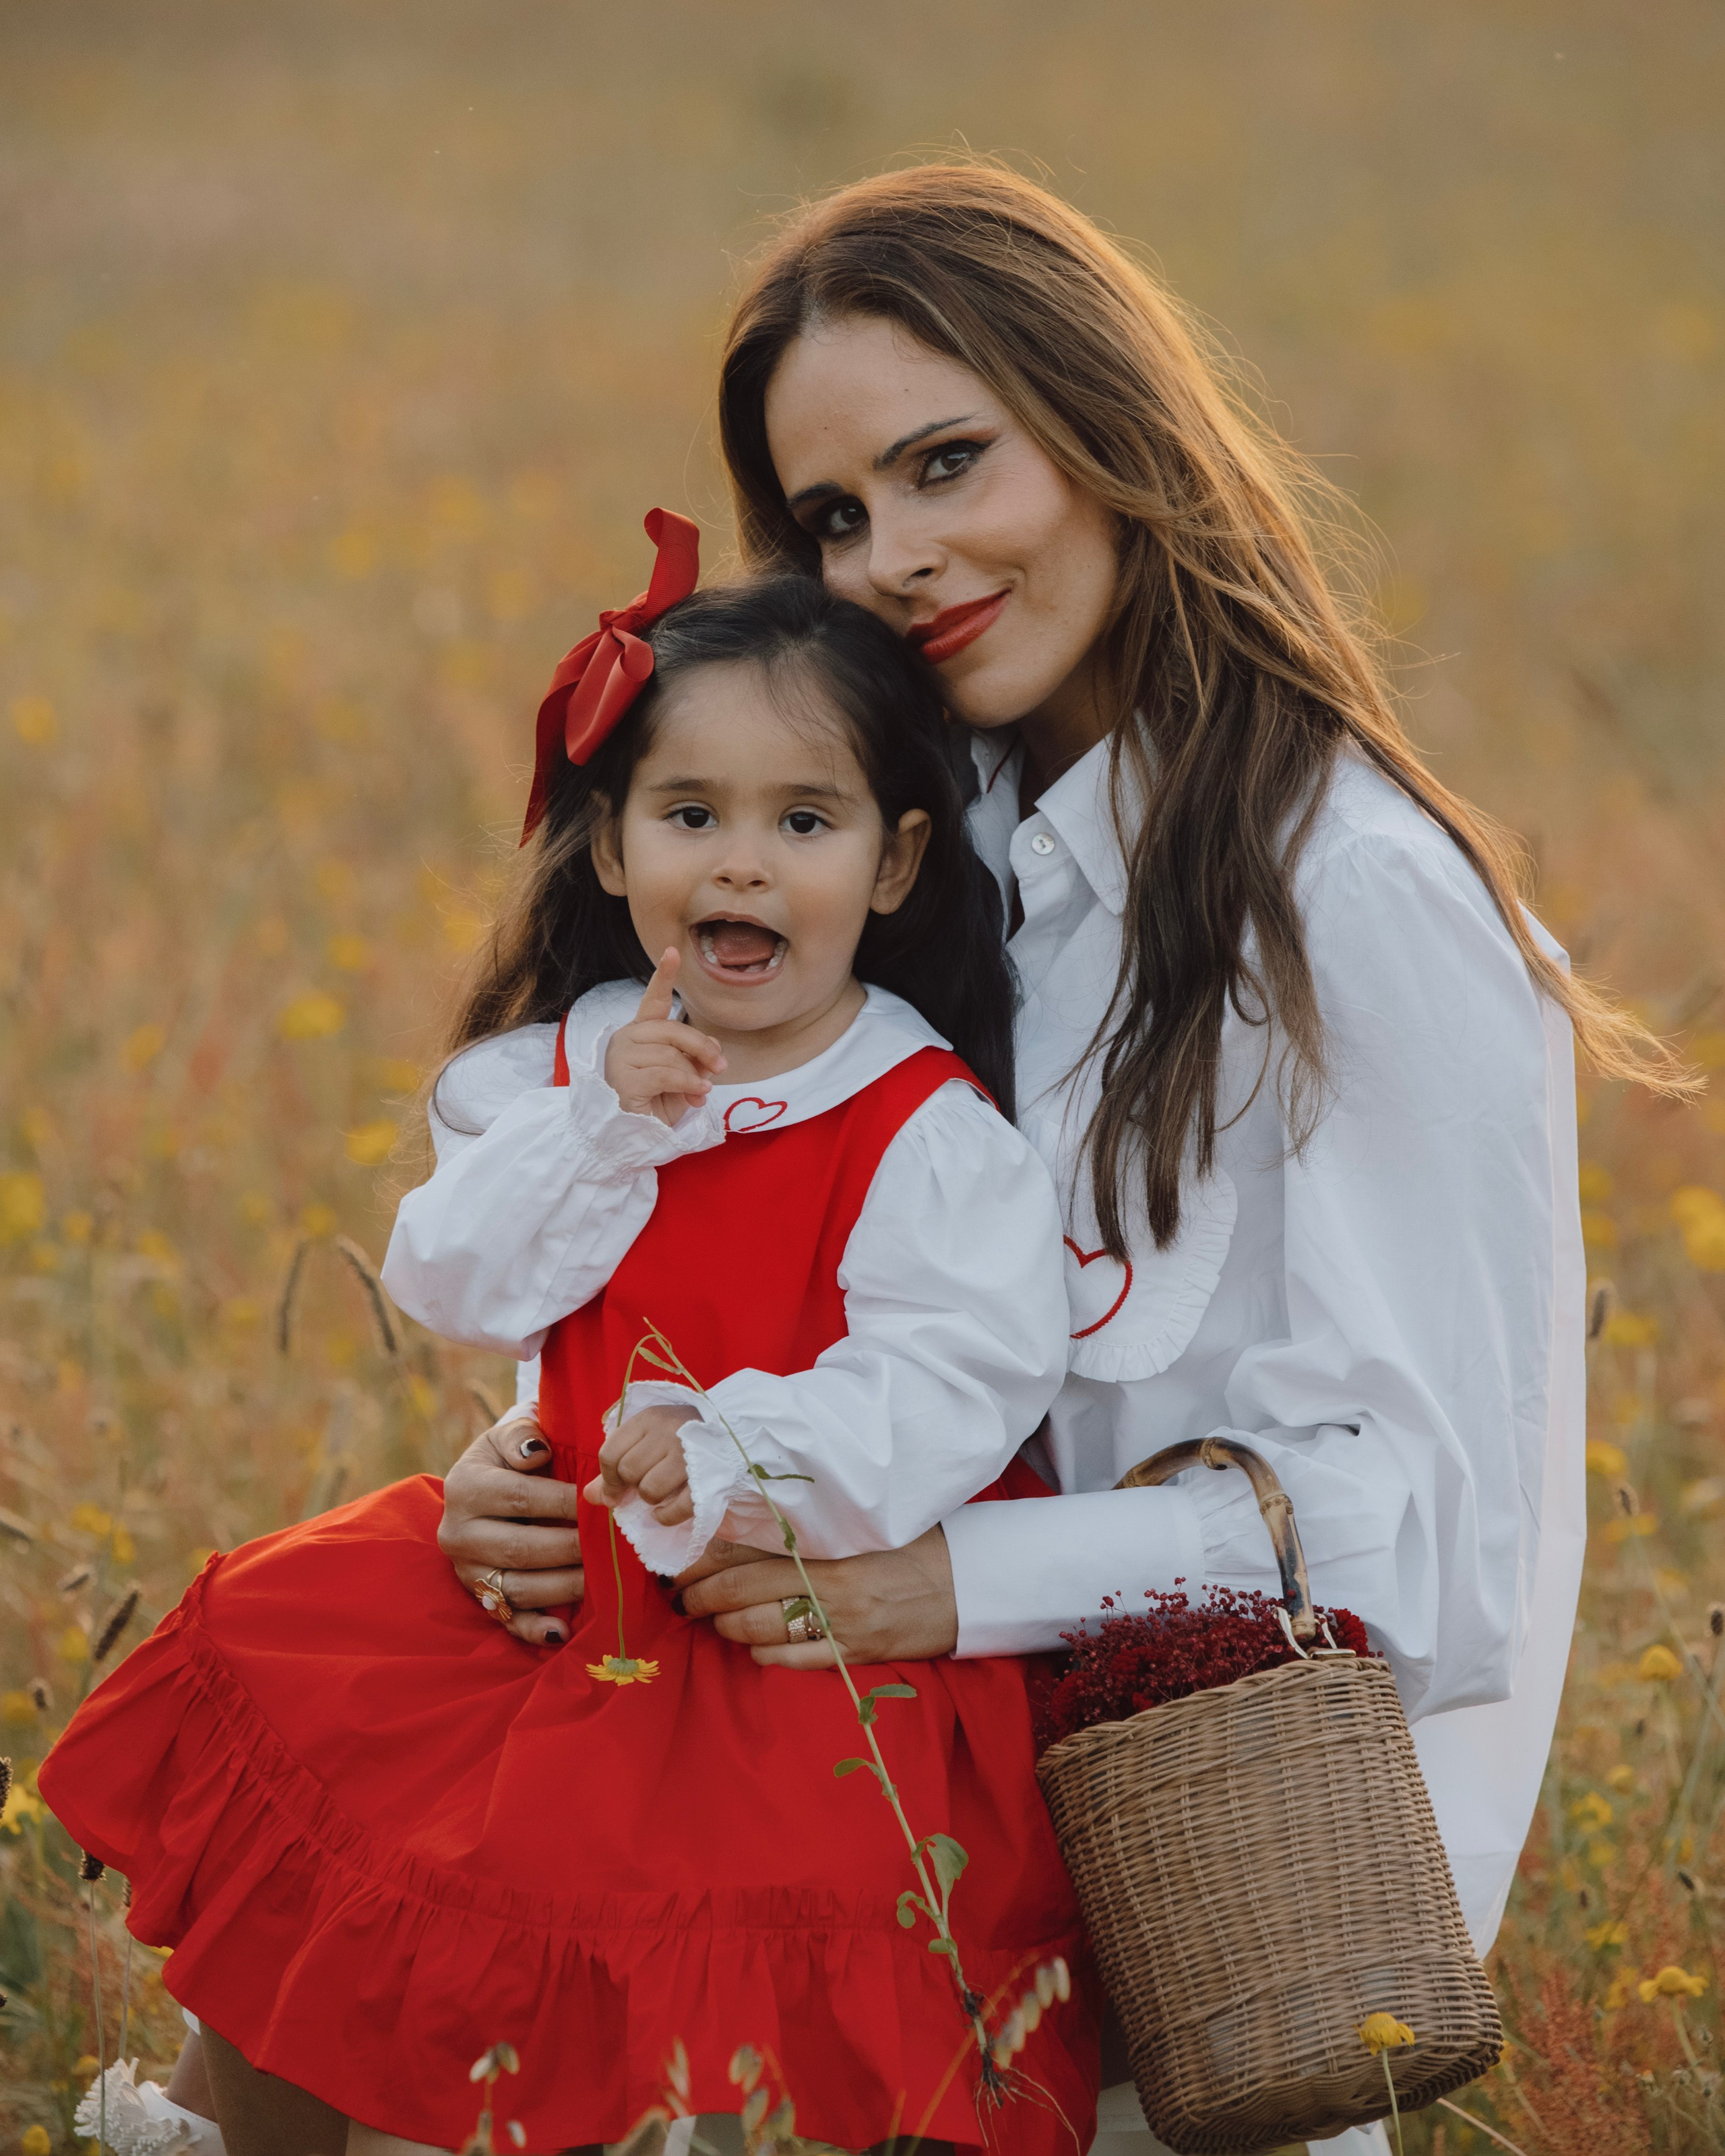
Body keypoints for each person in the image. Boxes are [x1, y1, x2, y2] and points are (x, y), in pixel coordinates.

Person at [434, 168, 1690, 2156]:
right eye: (832, 518)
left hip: (1179, 1901)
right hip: (816, 1823)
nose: (897, 560)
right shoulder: (899, 842)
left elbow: (1422, 1534)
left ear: (1110, 428)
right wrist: (542, 1460)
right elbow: (759, 1229)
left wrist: (944, 1587)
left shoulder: (1351, 897)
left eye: (948, 464)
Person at [40, 548, 1103, 2156]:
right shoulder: (564, 1073)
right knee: (337, 1780)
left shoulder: (917, 1122)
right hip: (557, 1590)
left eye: (801, 822)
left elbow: (957, 1374)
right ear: (611, 845)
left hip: (795, 1620)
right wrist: (604, 1124)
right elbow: (455, 1279)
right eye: (690, 813)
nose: (740, 861)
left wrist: (740, 1447)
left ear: (892, 863)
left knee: (695, 1930)